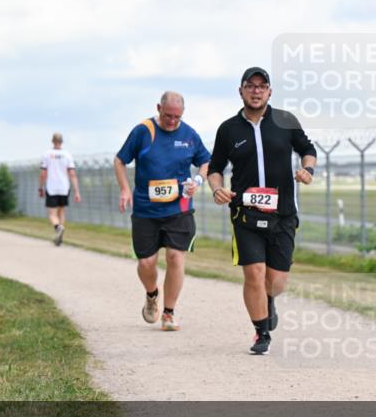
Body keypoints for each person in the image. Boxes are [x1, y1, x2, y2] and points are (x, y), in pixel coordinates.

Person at [207, 67, 317, 355]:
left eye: (262, 86)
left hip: (283, 213)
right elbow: (215, 168)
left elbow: (308, 149)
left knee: (276, 281)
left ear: (270, 91)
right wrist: (216, 188)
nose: (256, 91)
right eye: (250, 86)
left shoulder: (285, 121)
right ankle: (261, 332)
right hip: (246, 213)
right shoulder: (228, 129)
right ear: (241, 91)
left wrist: (307, 170)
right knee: (254, 273)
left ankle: (269, 301)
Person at [114, 92, 211, 332]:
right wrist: (125, 190)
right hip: (146, 210)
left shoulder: (189, 135)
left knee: (175, 257)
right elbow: (119, 161)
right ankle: (151, 294)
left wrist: (198, 181)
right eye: (168, 115)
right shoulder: (142, 131)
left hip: (179, 209)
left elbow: (207, 161)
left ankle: (169, 313)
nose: (172, 121)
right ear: (158, 108)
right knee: (147, 263)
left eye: (177, 117)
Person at [39, 133, 81, 245]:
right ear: (62, 141)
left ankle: (58, 228)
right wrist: (77, 191)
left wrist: (40, 187)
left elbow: (43, 174)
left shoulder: (47, 154)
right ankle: (60, 235)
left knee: (52, 214)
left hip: (52, 187)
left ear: (52, 141)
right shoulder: (67, 155)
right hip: (64, 187)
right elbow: (72, 174)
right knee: (61, 211)